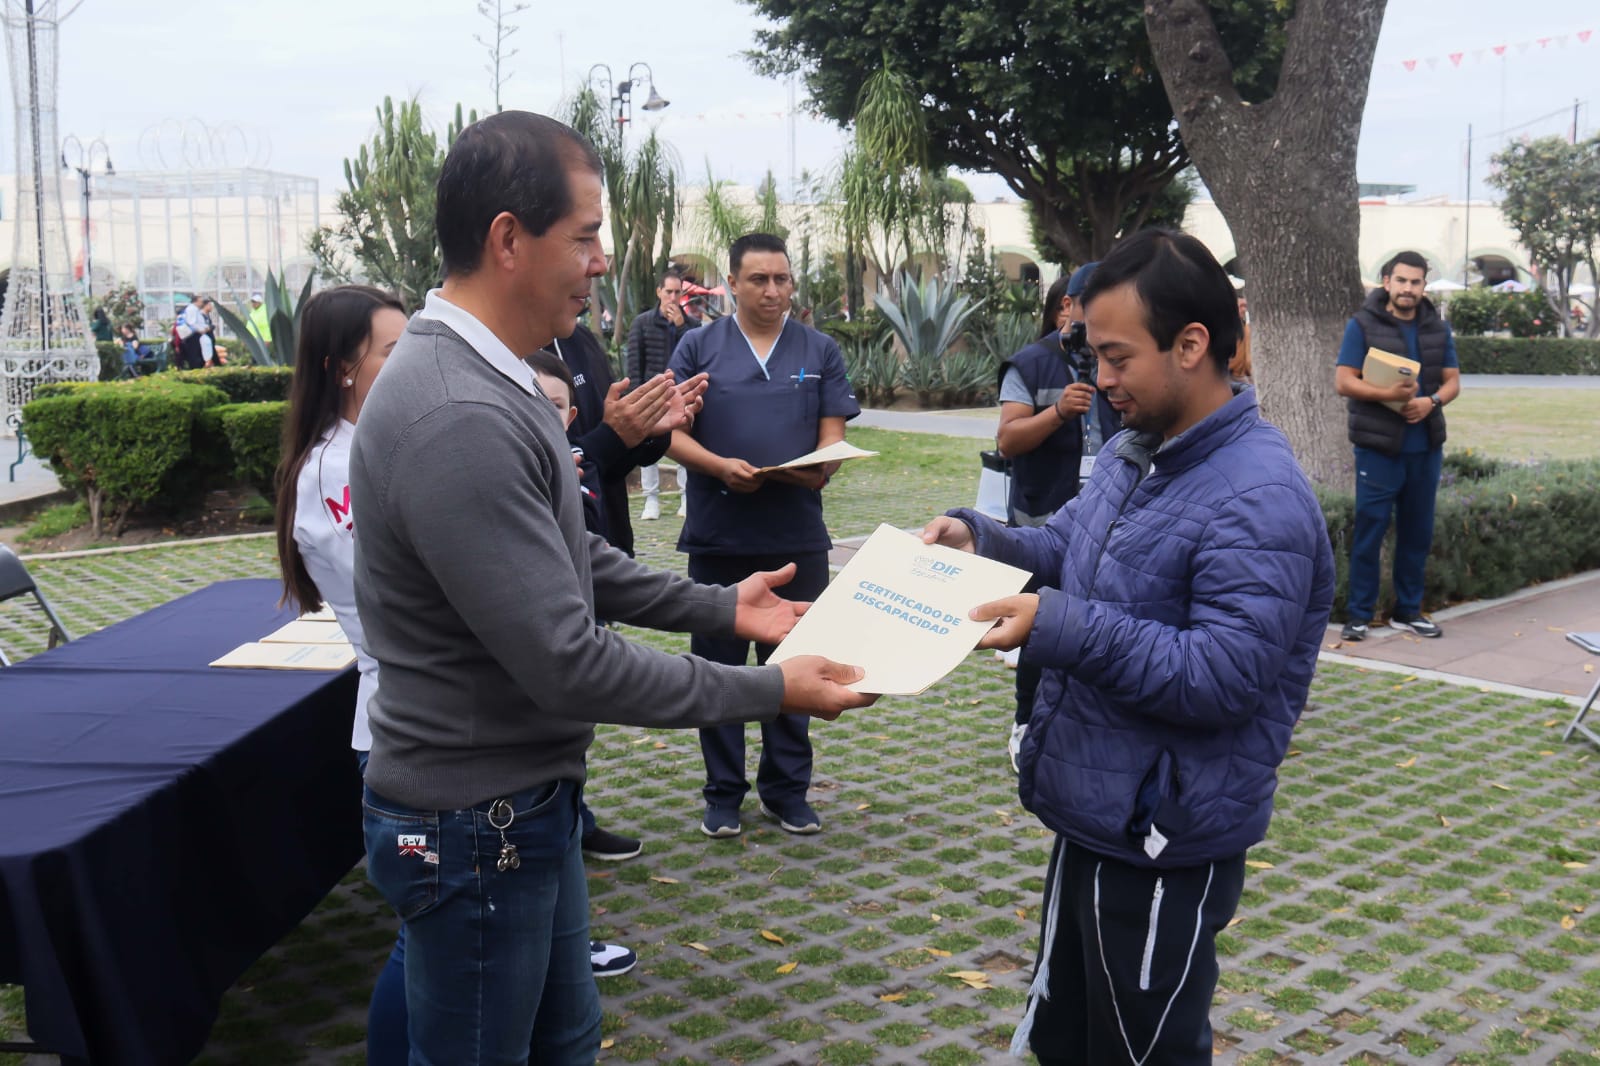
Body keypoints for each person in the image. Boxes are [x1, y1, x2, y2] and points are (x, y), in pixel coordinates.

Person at [348, 111, 872, 1065]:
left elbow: (574, 558)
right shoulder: (458, 412)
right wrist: (769, 687)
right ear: (509, 238)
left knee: (565, 1040)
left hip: (519, 799)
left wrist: (722, 605)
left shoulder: (494, 377)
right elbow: (569, 662)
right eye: (585, 236)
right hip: (476, 818)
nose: (600, 262)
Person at [922, 228, 1334, 1066]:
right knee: (1070, 1038)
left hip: (1163, 833)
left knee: (1142, 1051)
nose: (1100, 380)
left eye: (1116, 357)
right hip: (1096, 811)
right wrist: (979, 539)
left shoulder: (1259, 497)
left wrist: (1057, 625)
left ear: (1191, 345)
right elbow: (1064, 546)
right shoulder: (1133, 451)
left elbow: (1221, 676)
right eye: (1093, 356)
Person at [667, 231, 861, 840]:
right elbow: (670, 433)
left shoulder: (818, 349)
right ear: (731, 283)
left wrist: (823, 467)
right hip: (719, 537)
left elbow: (833, 437)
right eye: (758, 279)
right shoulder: (698, 347)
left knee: (796, 668)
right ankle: (723, 794)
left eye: (782, 279)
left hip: (796, 537)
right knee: (718, 674)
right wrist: (719, 467)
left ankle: (786, 792)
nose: (773, 291)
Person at [993, 261, 1113, 773]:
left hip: (1109, 521)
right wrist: (1059, 411)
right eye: (1096, 304)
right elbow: (1007, 440)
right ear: (1068, 305)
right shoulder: (1030, 364)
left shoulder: (1118, 358)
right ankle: (1026, 722)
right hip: (1043, 522)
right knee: (1041, 626)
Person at [1334, 250, 1460, 642]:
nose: (1408, 288)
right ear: (1387, 282)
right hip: (1378, 448)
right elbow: (1344, 381)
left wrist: (1431, 402)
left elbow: (1453, 382)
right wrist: (1388, 394)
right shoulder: (1362, 324)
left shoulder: (1438, 329)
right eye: (1401, 280)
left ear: (1424, 286)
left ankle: (1409, 612)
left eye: (1415, 282)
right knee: (1369, 532)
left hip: (1425, 448)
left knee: (1416, 533)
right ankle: (1359, 615)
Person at [627, 269, 696, 521]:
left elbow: (695, 356)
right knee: (649, 447)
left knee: (684, 444)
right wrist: (635, 396)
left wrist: (680, 326)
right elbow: (634, 364)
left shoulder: (691, 326)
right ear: (659, 292)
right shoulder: (642, 323)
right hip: (652, 394)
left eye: (677, 292)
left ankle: (686, 496)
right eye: (668, 292)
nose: (673, 297)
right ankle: (651, 499)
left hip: (682, 392)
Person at [176, 294, 210, 370]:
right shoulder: (192, 309)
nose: (202, 302)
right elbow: (192, 323)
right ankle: (196, 370)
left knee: (198, 355)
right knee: (194, 356)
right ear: (196, 300)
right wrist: (201, 330)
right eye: (201, 300)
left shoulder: (196, 309)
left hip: (196, 334)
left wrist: (205, 327)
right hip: (193, 335)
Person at [1230, 294, 1252, 380]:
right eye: (1241, 306)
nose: (1244, 309)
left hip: (1242, 374)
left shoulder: (1245, 327)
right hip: (1229, 375)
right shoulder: (1227, 327)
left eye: (1245, 306)